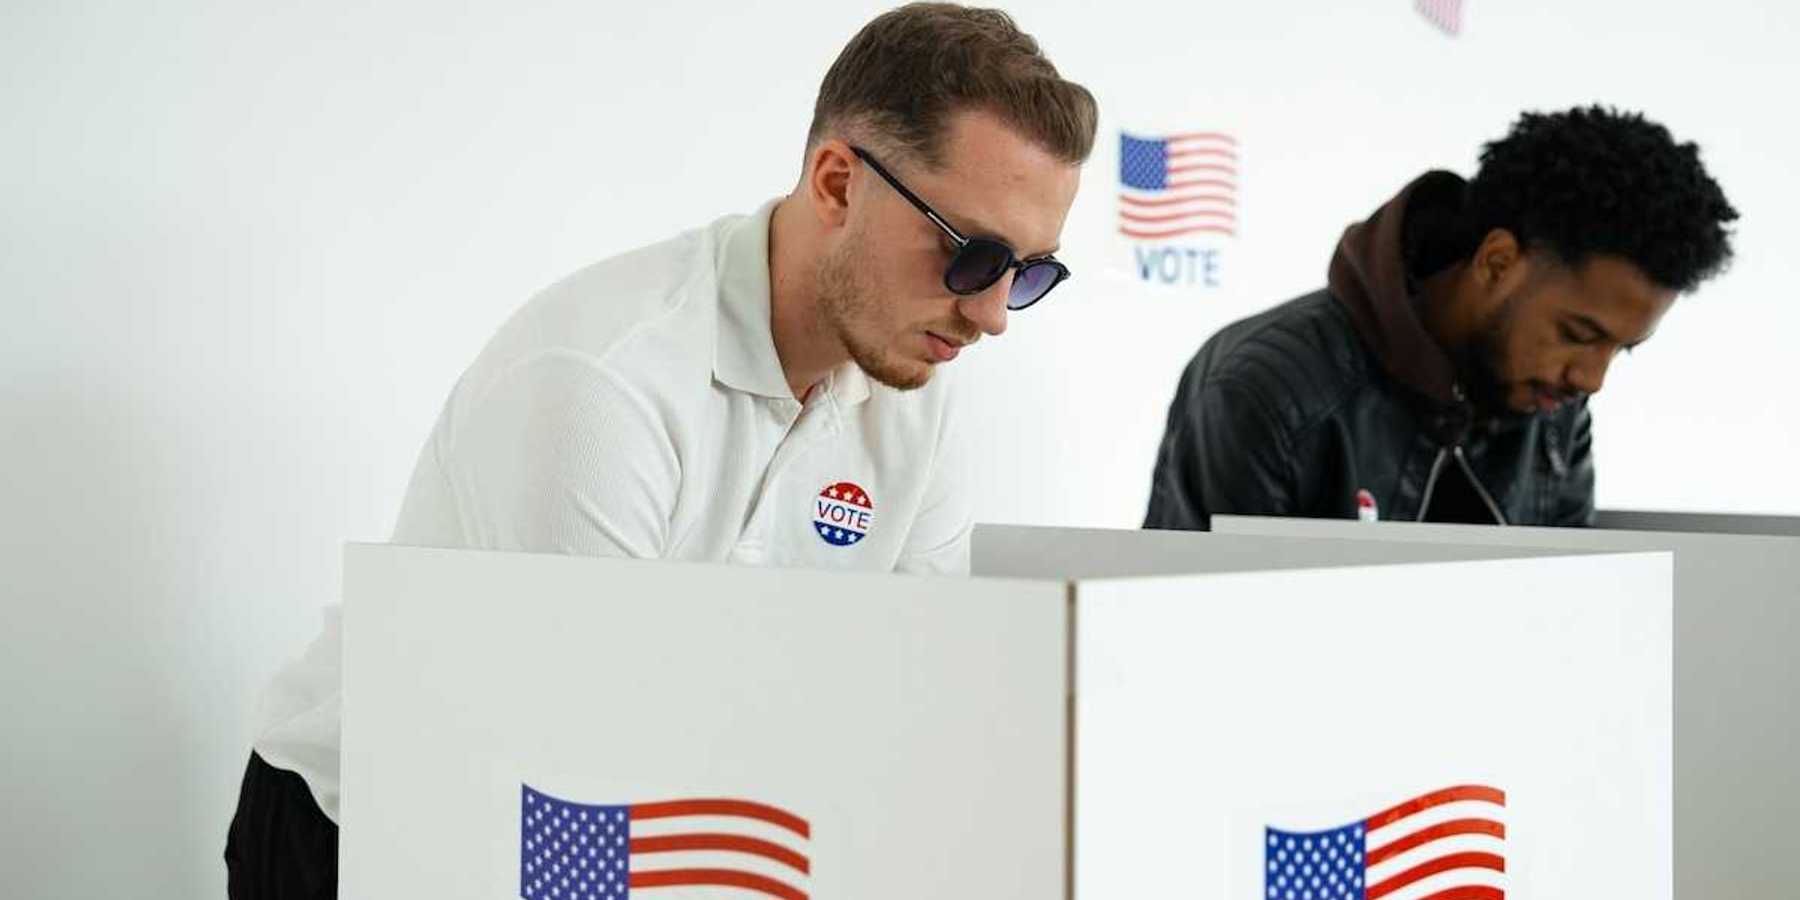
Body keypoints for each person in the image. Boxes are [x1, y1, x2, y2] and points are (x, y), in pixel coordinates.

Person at [224, 5, 1097, 896]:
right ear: (837, 183)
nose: (991, 316)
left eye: (1030, 273)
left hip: (631, 810)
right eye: (973, 255)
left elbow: (904, 707)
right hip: (365, 829)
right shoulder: (600, 385)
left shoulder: (918, 398)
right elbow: (583, 768)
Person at [1144, 105, 1737, 530]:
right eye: (1578, 334)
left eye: (1622, 349)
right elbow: (1200, 644)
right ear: (1497, 261)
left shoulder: (1554, 408)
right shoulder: (1271, 389)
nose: (1591, 379)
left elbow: (1566, 622)